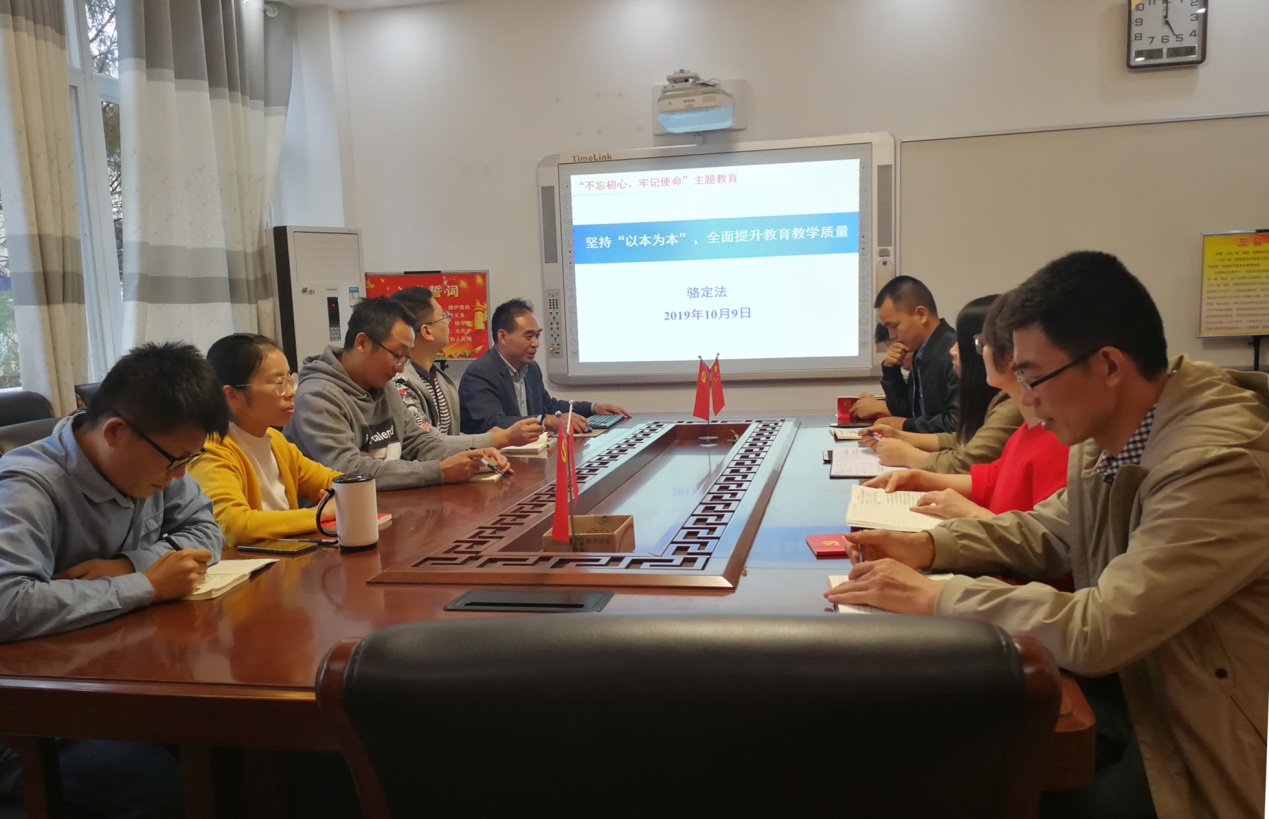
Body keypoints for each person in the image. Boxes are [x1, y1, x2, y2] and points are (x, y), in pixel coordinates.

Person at [827, 251, 1269, 819]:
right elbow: (1049, 532)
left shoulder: (1219, 463)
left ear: (1108, 366)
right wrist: (930, 546)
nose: (1026, 399)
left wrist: (937, 594)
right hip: (1135, 691)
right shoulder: (1110, 432)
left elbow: (1101, 629)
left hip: (1192, 736)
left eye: (1034, 377)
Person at [0, 341, 231, 817]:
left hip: (103, 677)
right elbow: (7, 603)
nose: (179, 477)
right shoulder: (27, 487)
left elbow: (207, 530)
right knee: (158, 783)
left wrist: (130, 564)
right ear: (115, 431)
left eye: (189, 461)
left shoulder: (155, 460)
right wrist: (146, 586)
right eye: (175, 461)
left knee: (233, 749)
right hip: (25, 714)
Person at [859, 292, 1068, 520]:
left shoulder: (1034, 421)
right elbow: (990, 474)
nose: (953, 350)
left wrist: (910, 455)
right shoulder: (1023, 424)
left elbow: (1042, 534)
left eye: (978, 343)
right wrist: (918, 475)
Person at [284, 297, 510, 490]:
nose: (401, 368)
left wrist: (473, 455)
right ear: (362, 343)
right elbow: (347, 471)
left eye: (406, 358)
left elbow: (418, 442)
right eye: (397, 355)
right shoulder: (317, 397)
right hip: (335, 519)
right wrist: (438, 471)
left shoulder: (386, 388)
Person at [191, 333, 341, 548]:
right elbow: (234, 525)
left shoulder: (275, 441)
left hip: (287, 556)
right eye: (278, 383)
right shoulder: (211, 448)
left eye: (290, 380)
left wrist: (341, 493)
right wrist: (317, 514)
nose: (290, 392)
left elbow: (335, 480)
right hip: (247, 564)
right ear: (232, 395)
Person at [862, 295, 1023, 471]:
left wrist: (908, 455)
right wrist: (900, 436)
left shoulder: (1013, 403)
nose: (953, 350)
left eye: (967, 343)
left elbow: (967, 461)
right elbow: (965, 438)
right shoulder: (1002, 397)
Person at [389, 286, 542, 446]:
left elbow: (450, 437)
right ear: (427, 331)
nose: (448, 321)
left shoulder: (440, 380)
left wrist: (486, 441)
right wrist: (496, 439)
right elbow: (427, 442)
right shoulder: (401, 382)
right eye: (443, 316)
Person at [459, 298, 630, 434]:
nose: (536, 344)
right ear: (503, 337)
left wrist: (593, 408)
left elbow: (549, 406)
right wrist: (544, 421)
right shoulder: (480, 373)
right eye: (528, 336)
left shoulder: (531, 369)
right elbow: (492, 423)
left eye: (537, 336)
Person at [850, 275, 959, 433]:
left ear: (921, 314)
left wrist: (904, 425)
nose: (892, 335)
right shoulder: (922, 352)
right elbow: (906, 411)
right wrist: (891, 371)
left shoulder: (954, 353)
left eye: (894, 326)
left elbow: (955, 424)